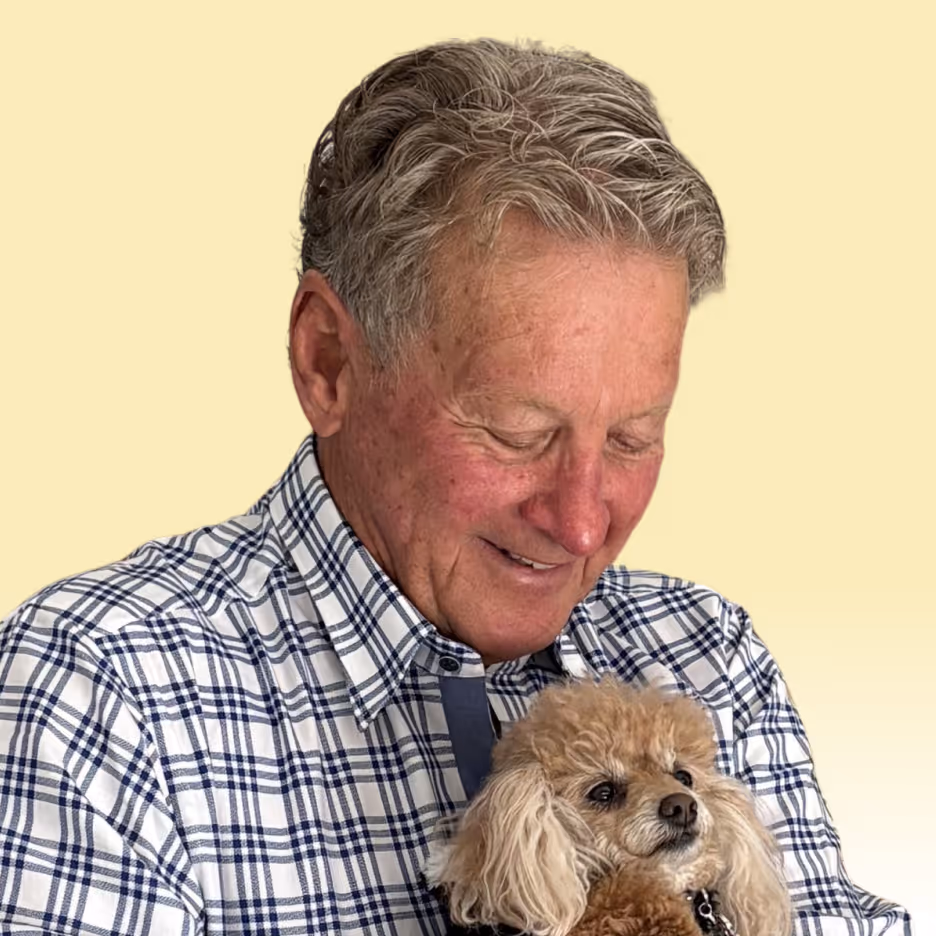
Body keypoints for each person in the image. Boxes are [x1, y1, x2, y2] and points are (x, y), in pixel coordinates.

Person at [0, 38, 911, 936]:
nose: (584, 523)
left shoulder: (707, 658)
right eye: (519, 433)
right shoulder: (104, 697)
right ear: (328, 363)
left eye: (635, 436)